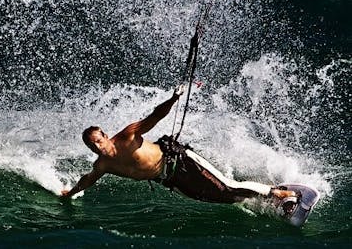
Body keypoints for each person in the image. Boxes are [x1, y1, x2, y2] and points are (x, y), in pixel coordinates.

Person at [61, 85, 297, 206]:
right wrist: (70, 193)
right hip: (169, 180)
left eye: (98, 141)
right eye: (92, 146)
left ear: (104, 134)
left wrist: (173, 99)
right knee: (218, 198)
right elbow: (88, 179)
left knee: (226, 186)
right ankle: (268, 198)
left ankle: (280, 193)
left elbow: (154, 117)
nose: (97, 147)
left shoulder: (127, 136)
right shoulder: (102, 165)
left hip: (180, 161)